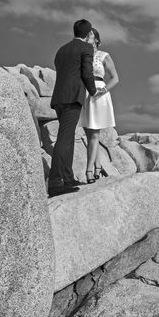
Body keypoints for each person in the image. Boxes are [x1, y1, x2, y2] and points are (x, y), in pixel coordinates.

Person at [48, 19, 106, 195]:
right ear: (89, 34)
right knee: (64, 139)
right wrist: (94, 91)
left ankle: (68, 178)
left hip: (58, 98)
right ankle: (55, 182)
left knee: (68, 137)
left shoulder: (61, 50)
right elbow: (86, 73)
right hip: (73, 98)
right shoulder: (86, 48)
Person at [78, 28, 119, 184]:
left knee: (95, 134)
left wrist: (104, 90)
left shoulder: (104, 55)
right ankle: (97, 166)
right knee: (89, 135)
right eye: (86, 35)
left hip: (98, 93)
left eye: (90, 36)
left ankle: (89, 171)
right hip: (85, 94)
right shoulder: (82, 56)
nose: (87, 38)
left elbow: (115, 78)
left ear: (96, 40)